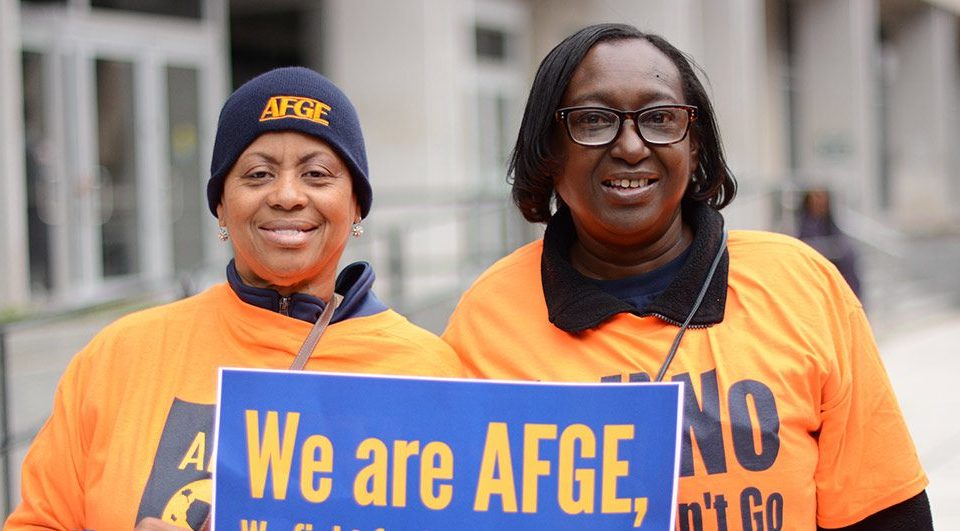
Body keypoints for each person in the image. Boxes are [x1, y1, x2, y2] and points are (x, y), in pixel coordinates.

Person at [443, 24, 932, 530]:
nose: (631, 146)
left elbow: (888, 514)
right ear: (549, 153)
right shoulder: (485, 320)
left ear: (694, 146)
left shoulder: (802, 285)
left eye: (659, 118)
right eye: (592, 120)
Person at [6, 67, 462, 529]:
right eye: (258, 174)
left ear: (356, 203)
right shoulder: (119, 357)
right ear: (221, 203)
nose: (286, 195)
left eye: (317, 174)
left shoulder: (430, 375)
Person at [797, 188, 862, 298]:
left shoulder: (830, 224)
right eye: (816, 197)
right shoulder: (802, 224)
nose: (819, 202)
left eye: (822, 198)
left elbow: (839, 244)